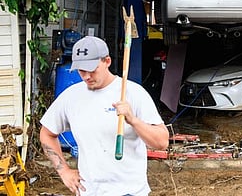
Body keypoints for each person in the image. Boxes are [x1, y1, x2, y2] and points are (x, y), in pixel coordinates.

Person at [40, 36, 169, 196]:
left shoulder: (133, 93)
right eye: (81, 70)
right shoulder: (71, 97)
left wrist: (133, 121)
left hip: (129, 191)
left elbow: (162, 142)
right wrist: (64, 171)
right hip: (89, 191)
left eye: (92, 69)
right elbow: (47, 134)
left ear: (107, 61)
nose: (87, 76)